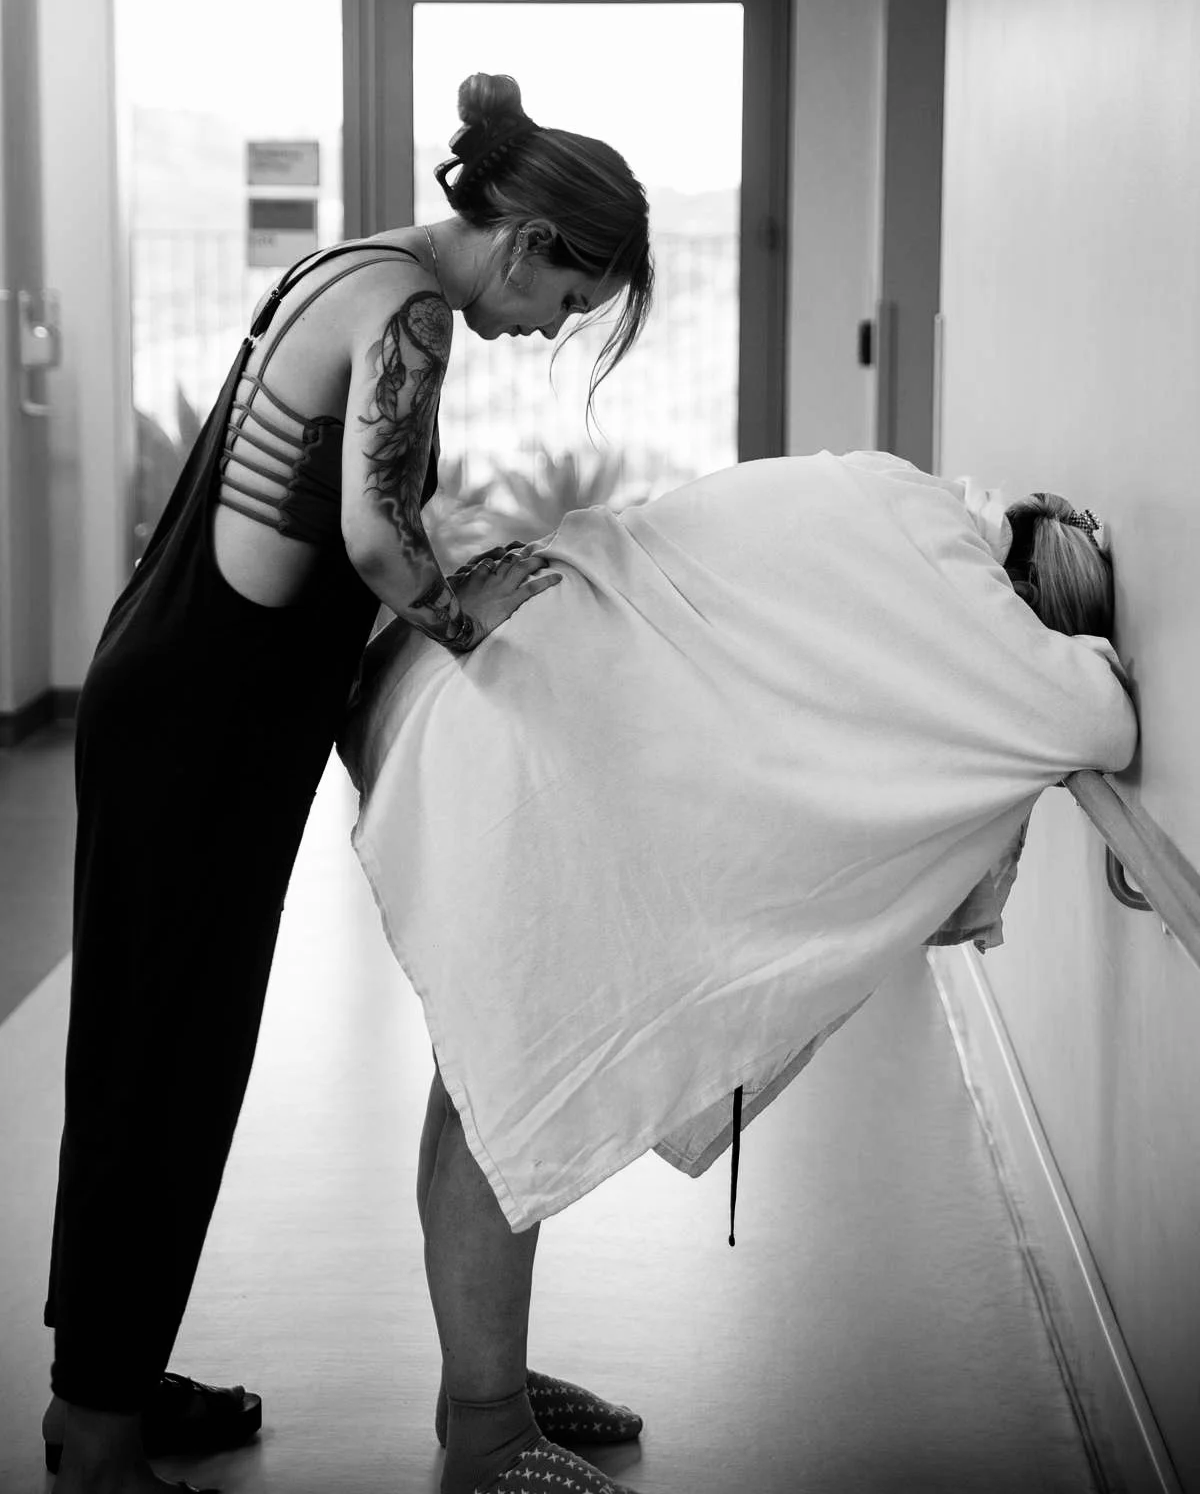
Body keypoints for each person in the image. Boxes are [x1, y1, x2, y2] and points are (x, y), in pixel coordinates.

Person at [43, 72, 654, 1494]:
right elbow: (379, 545)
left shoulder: (349, 260)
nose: (550, 330)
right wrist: (488, 644)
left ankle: (110, 1385)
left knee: (143, 1057)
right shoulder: (418, 315)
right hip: (203, 725)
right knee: (164, 1070)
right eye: (569, 300)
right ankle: (98, 1443)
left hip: (172, 691)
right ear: (527, 243)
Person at [342, 450, 1138, 1493]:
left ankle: (480, 1391)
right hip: (521, 720)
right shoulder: (965, 588)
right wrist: (1089, 661)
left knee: (484, 1079)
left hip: (488, 665)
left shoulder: (899, 489)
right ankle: (487, 1437)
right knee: (513, 1084)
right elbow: (1095, 722)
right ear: (1032, 601)